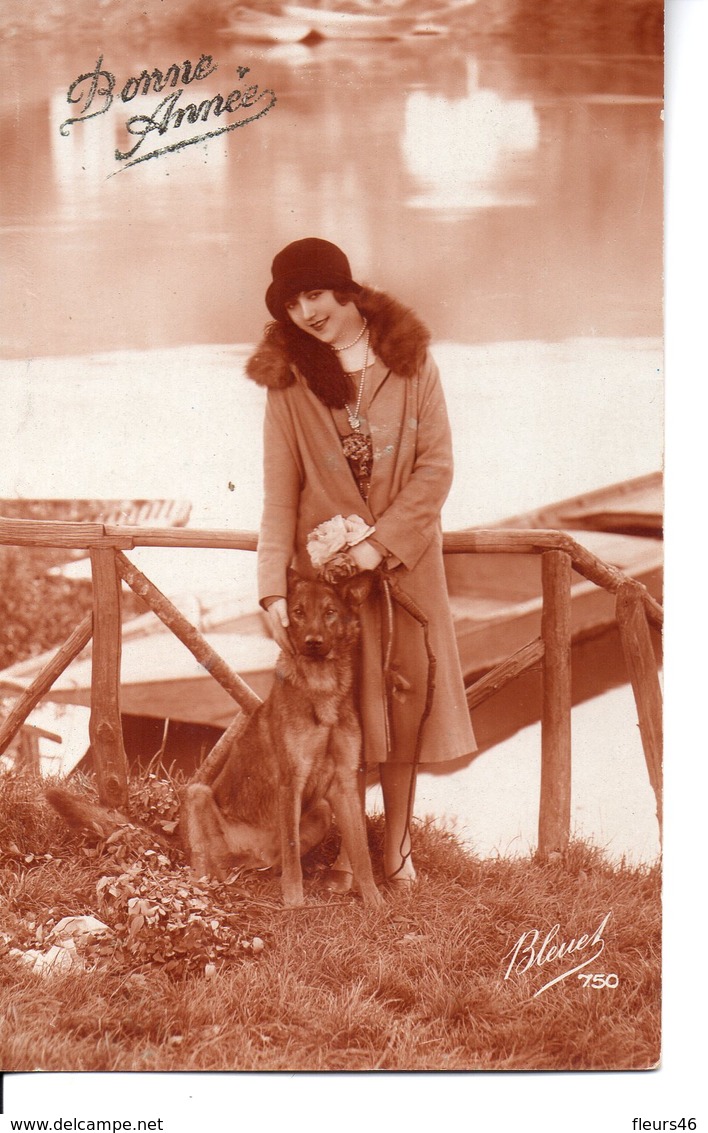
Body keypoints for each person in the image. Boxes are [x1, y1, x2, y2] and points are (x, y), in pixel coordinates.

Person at [245, 237, 476, 891]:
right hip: (329, 588)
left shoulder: (410, 362)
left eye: (315, 294)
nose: (307, 312)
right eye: (292, 302)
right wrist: (271, 590)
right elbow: (277, 494)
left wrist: (379, 544)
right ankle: (350, 856)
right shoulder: (288, 383)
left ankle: (395, 850)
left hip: (405, 571)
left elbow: (436, 468)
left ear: (343, 289)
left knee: (405, 709)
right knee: (353, 713)